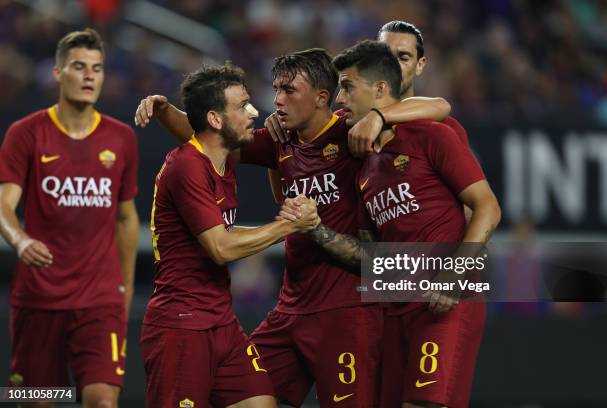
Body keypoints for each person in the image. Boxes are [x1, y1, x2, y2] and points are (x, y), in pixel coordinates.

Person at [134, 48, 449, 407]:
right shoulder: (279, 140)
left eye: (289, 91)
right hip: (288, 309)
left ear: (321, 98)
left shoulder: (351, 132)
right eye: (275, 90)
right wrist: (164, 112)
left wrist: (378, 116)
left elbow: (440, 106)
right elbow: (209, 135)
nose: (277, 101)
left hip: (346, 310)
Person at [281, 40, 501, 408]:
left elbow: (488, 208)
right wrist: (314, 228)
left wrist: (455, 274)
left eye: (348, 87)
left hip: (444, 299)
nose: (339, 98)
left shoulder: (432, 135)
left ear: (380, 89)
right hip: (395, 306)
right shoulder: (364, 162)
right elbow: (370, 253)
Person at [140, 63, 320, 408]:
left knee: (259, 403)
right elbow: (220, 248)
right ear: (215, 120)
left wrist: (282, 225)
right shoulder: (187, 165)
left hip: (221, 320)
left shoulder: (220, 162)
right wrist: (288, 225)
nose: (254, 112)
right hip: (181, 325)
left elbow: (218, 230)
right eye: (242, 106)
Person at [0, 28, 139, 407]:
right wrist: (21, 240)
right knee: (40, 400)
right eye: (79, 66)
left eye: (97, 68)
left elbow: (127, 219)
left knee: (102, 400)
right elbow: (3, 204)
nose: (90, 75)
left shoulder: (121, 137)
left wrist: (123, 291)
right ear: (59, 73)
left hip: (99, 300)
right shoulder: (25, 133)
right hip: (39, 300)